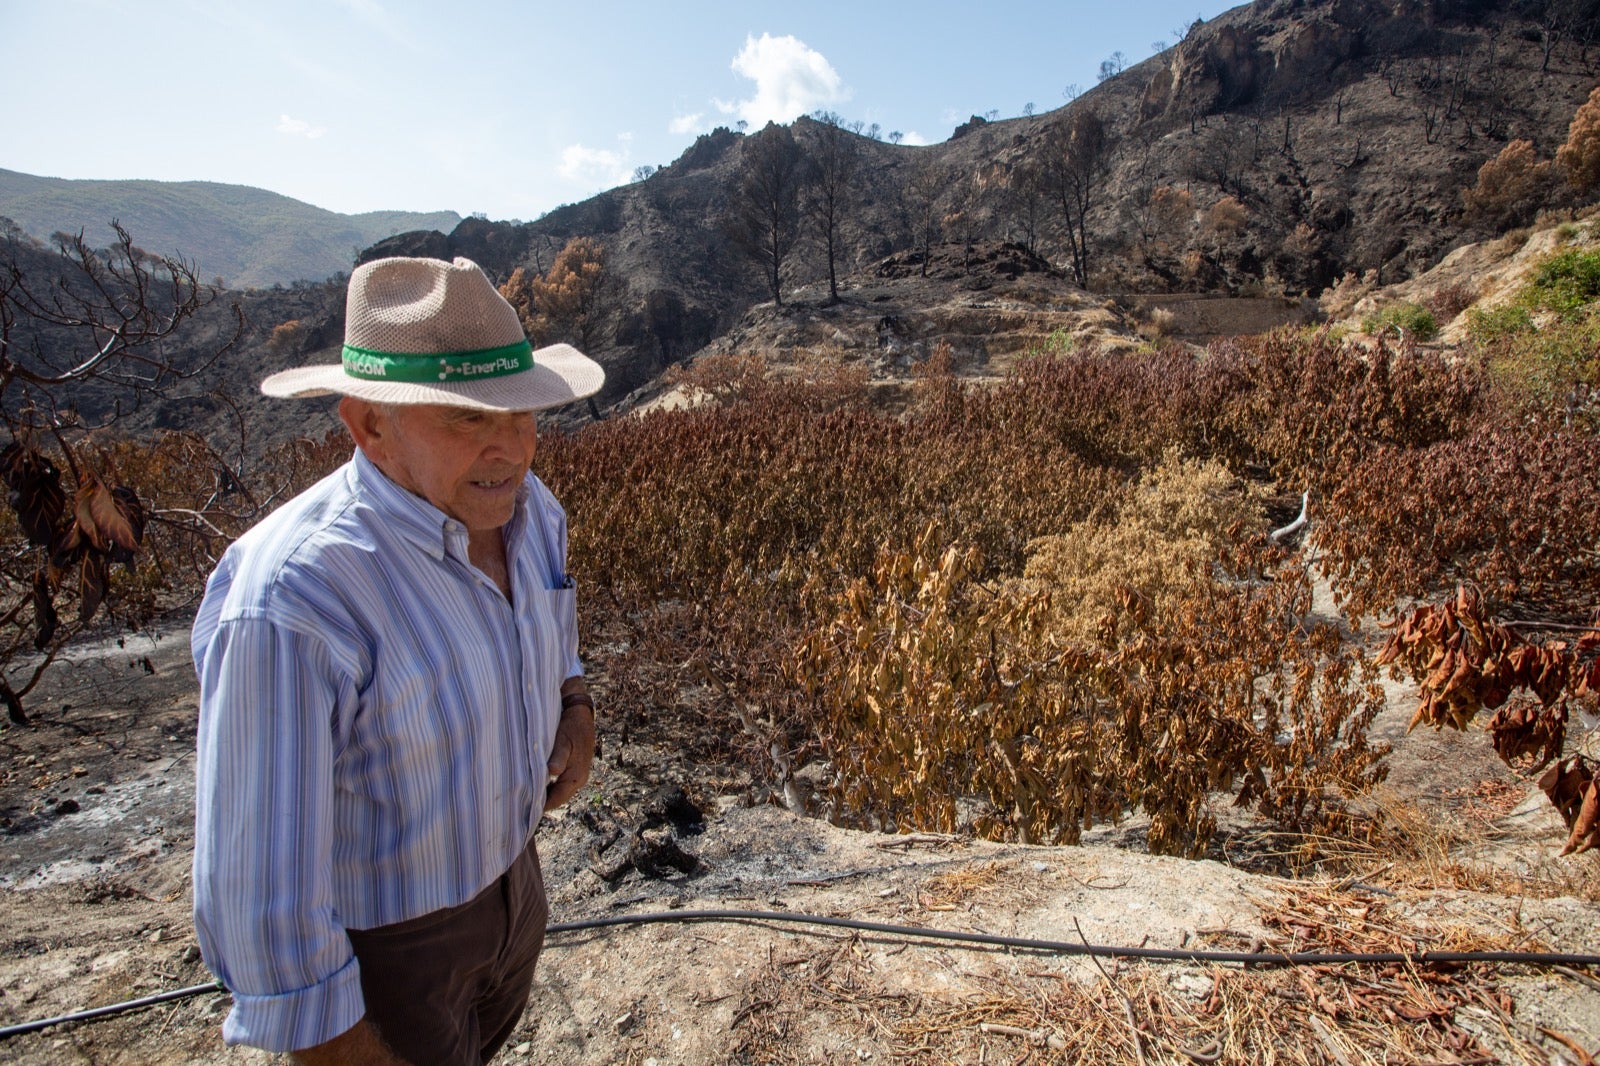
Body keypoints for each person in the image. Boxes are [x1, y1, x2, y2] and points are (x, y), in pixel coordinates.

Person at [191, 255, 604, 1064]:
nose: (509, 449)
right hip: (390, 952)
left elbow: (554, 627)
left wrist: (576, 705)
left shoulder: (531, 510)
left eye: (520, 416)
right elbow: (261, 901)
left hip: (513, 887)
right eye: (464, 419)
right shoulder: (295, 600)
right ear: (369, 425)